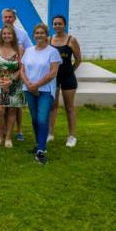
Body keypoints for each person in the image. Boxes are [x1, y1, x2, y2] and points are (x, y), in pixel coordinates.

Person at [21, 24, 62, 164]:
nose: (39, 35)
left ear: (46, 35)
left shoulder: (53, 52)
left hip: (45, 90)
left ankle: (41, 151)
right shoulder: (28, 51)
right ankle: (39, 144)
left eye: (42, 33)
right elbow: (22, 70)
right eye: (37, 33)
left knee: (42, 119)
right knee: (34, 119)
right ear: (33, 35)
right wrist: (28, 84)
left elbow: (53, 72)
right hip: (29, 89)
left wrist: (36, 85)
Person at [0, 8, 33, 141]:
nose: (8, 19)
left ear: (14, 18)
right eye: (5, 17)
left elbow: (29, 53)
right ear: (2, 18)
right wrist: (0, 79)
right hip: (0, 80)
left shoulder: (23, 34)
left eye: (10, 17)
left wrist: (15, 78)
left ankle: (17, 131)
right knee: (0, 110)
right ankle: (1, 133)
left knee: (14, 108)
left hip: (15, 80)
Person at [48, 14, 82, 147]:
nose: (57, 26)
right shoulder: (49, 39)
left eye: (59, 24)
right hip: (53, 78)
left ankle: (72, 136)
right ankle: (50, 134)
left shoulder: (71, 40)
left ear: (65, 25)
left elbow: (78, 59)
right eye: (55, 24)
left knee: (69, 107)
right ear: (52, 25)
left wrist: (71, 71)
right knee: (52, 106)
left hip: (68, 78)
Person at [0, 25, 25, 148]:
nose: (6, 36)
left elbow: (22, 68)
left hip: (14, 83)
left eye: (9, 34)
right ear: (1, 35)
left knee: (12, 110)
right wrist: (0, 79)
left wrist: (11, 80)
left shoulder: (19, 48)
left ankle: (8, 138)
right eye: (4, 34)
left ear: (13, 35)